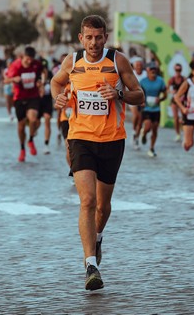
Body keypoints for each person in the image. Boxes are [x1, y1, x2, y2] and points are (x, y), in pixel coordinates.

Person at [51, 15, 144, 291]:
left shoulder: (118, 61)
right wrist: (58, 97)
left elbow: (139, 94)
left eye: (99, 37)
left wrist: (118, 95)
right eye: (88, 37)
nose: (93, 42)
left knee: (103, 206)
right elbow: (56, 83)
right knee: (88, 201)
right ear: (81, 38)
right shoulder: (73, 61)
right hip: (80, 137)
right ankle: (91, 264)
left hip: (112, 140)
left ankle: (98, 236)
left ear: (106, 37)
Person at [4, 46, 45, 162]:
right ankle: (22, 149)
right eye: (27, 59)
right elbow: (6, 80)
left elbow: (43, 71)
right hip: (19, 98)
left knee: (33, 119)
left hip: (33, 96)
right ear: (22, 56)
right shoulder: (16, 66)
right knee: (21, 125)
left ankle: (31, 140)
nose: (29, 61)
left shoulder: (36, 64)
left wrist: (41, 82)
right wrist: (13, 79)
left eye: (31, 59)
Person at [139, 62, 167, 157]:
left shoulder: (160, 81)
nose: (153, 71)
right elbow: (139, 93)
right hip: (146, 108)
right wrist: (141, 101)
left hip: (156, 109)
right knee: (147, 126)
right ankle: (144, 133)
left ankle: (151, 148)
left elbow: (165, 94)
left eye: (154, 69)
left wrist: (160, 99)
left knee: (155, 129)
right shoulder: (143, 81)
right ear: (147, 71)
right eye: (151, 69)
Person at [130, 56, 146, 149]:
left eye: (140, 65)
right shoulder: (131, 73)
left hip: (142, 99)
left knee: (140, 120)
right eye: (137, 65)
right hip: (133, 98)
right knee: (136, 115)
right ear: (134, 66)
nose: (139, 67)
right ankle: (133, 130)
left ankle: (136, 137)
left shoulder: (145, 74)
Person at [38, 56, 54, 154]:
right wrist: (42, 83)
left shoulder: (51, 74)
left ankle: (46, 144)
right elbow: (40, 93)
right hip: (37, 101)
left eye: (45, 68)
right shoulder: (36, 76)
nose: (44, 71)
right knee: (36, 122)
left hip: (47, 101)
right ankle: (32, 134)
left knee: (47, 119)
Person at [167, 63, 186, 142]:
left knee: (184, 117)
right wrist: (171, 91)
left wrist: (183, 94)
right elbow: (167, 89)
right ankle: (177, 134)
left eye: (179, 70)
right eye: (176, 70)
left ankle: (185, 133)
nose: (178, 71)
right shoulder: (172, 79)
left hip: (182, 100)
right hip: (174, 100)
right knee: (176, 118)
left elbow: (187, 88)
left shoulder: (184, 79)